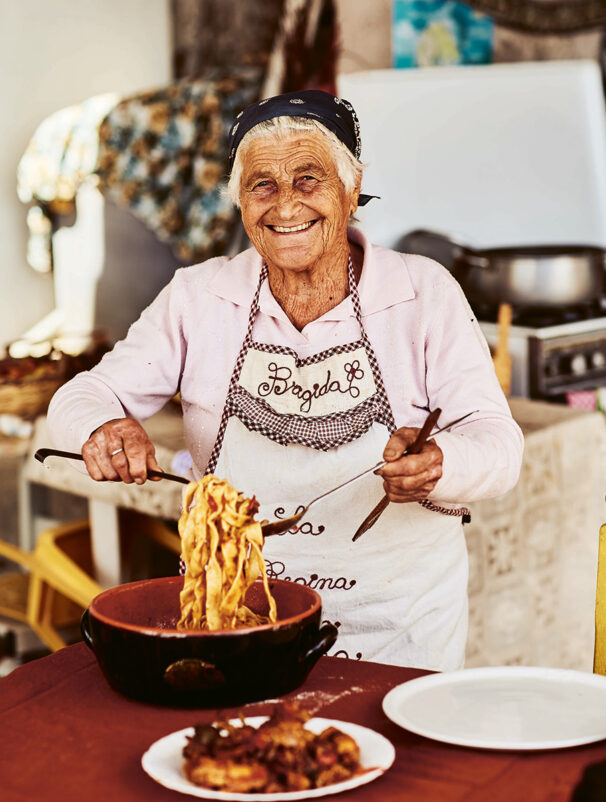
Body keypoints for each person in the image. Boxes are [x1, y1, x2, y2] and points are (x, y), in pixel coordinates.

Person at [47, 89, 523, 671]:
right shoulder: (200, 297)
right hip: (236, 622)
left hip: (393, 632)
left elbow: (499, 443)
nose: (285, 206)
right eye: (261, 185)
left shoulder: (422, 293)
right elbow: (84, 395)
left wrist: (441, 462)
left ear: (351, 188)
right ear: (241, 202)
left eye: (308, 179)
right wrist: (102, 426)